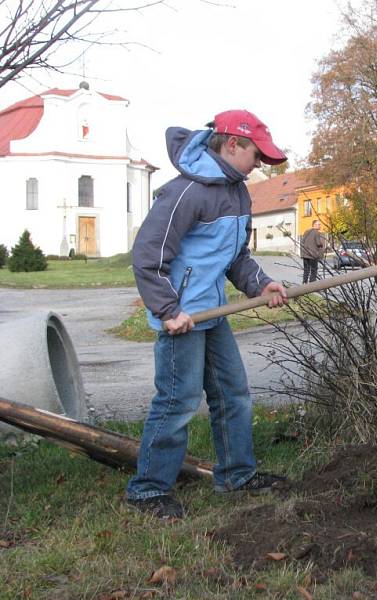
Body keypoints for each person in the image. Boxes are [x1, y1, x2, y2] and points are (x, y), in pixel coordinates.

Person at [126, 109, 289, 520]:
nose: (258, 166)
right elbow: (148, 256)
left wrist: (260, 284)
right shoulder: (187, 191)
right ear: (232, 144)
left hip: (212, 313)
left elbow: (235, 256)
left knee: (233, 394)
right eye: (256, 155)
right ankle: (147, 489)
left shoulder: (237, 192)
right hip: (181, 318)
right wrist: (168, 309)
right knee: (178, 402)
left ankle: (236, 474)